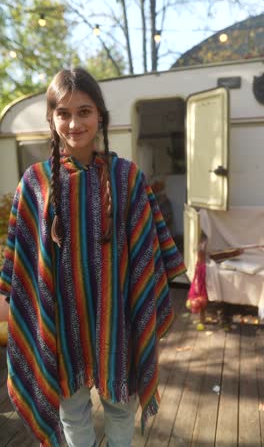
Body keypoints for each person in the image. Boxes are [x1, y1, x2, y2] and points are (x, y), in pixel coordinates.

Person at [0, 67, 186, 447]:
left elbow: (151, 255)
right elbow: (19, 261)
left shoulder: (127, 178)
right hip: (60, 326)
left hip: (120, 322)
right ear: (51, 119)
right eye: (63, 113)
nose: (74, 122)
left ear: (100, 115)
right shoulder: (34, 183)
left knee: (121, 412)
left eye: (84, 111)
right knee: (73, 415)